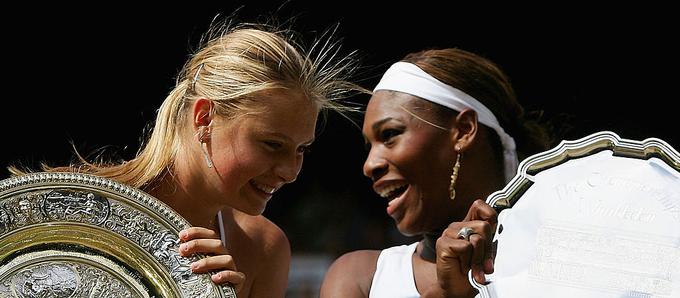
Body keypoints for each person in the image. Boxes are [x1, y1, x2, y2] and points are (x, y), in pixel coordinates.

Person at [9, 18, 363, 298]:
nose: (291, 171)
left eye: (302, 149)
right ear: (204, 118)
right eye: (272, 144)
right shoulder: (68, 209)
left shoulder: (263, 250)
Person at [320, 48, 553, 298]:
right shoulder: (361, 277)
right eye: (369, 146)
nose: (369, 165)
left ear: (463, 130)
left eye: (389, 135)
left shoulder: (560, 264)